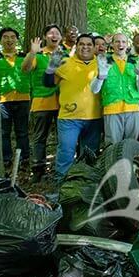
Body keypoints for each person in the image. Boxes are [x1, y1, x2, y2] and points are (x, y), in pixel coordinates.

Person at [43, 34, 102, 181]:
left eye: (89, 44)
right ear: (76, 46)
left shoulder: (102, 64)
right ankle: (61, 183)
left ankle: (86, 181)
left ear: (94, 47)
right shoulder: (65, 63)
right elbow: (48, 83)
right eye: (81, 44)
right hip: (69, 118)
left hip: (94, 117)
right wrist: (51, 67)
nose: (85, 47)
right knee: (66, 151)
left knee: (90, 153)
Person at [21, 24, 63, 181]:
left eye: (57, 33)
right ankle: (38, 170)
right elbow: (25, 68)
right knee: (40, 138)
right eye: (51, 33)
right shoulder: (38, 56)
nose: (54, 35)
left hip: (62, 105)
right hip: (42, 104)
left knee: (62, 138)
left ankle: (60, 168)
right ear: (45, 37)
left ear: (60, 37)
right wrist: (33, 51)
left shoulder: (64, 55)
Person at [0, 27, 31, 169]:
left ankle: (24, 158)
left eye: (12, 37)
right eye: (5, 37)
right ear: (1, 40)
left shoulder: (25, 57)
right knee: (4, 132)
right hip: (2, 101)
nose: (9, 40)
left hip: (23, 98)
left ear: (17, 39)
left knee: (22, 131)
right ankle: (6, 158)